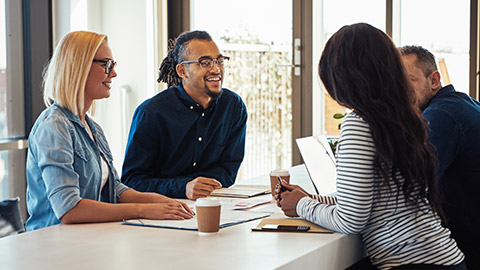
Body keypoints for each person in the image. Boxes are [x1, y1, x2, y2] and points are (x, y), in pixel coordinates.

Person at [275, 23, 466, 269]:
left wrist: (301, 206)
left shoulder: (359, 123)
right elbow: (380, 198)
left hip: (411, 263)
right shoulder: (405, 118)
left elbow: (351, 220)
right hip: (445, 259)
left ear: (341, 76)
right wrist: (312, 199)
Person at [26, 31, 194, 231]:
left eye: (113, 65)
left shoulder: (92, 127)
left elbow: (115, 189)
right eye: (107, 65)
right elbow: (69, 209)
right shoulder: (54, 126)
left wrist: (157, 201)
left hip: (86, 239)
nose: (113, 73)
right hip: (52, 245)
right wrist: (142, 209)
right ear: (79, 67)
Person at [121, 30, 247, 200]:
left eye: (219, 61)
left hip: (213, 204)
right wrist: (183, 188)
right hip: (161, 211)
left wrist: (202, 187)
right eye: (204, 62)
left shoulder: (233, 107)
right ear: (182, 71)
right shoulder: (151, 113)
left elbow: (228, 169)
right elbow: (132, 181)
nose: (216, 69)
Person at [400, 45, 480, 270]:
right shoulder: (460, 103)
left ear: (434, 80)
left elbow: (410, 188)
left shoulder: (440, 115)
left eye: (408, 82)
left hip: (468, 248)